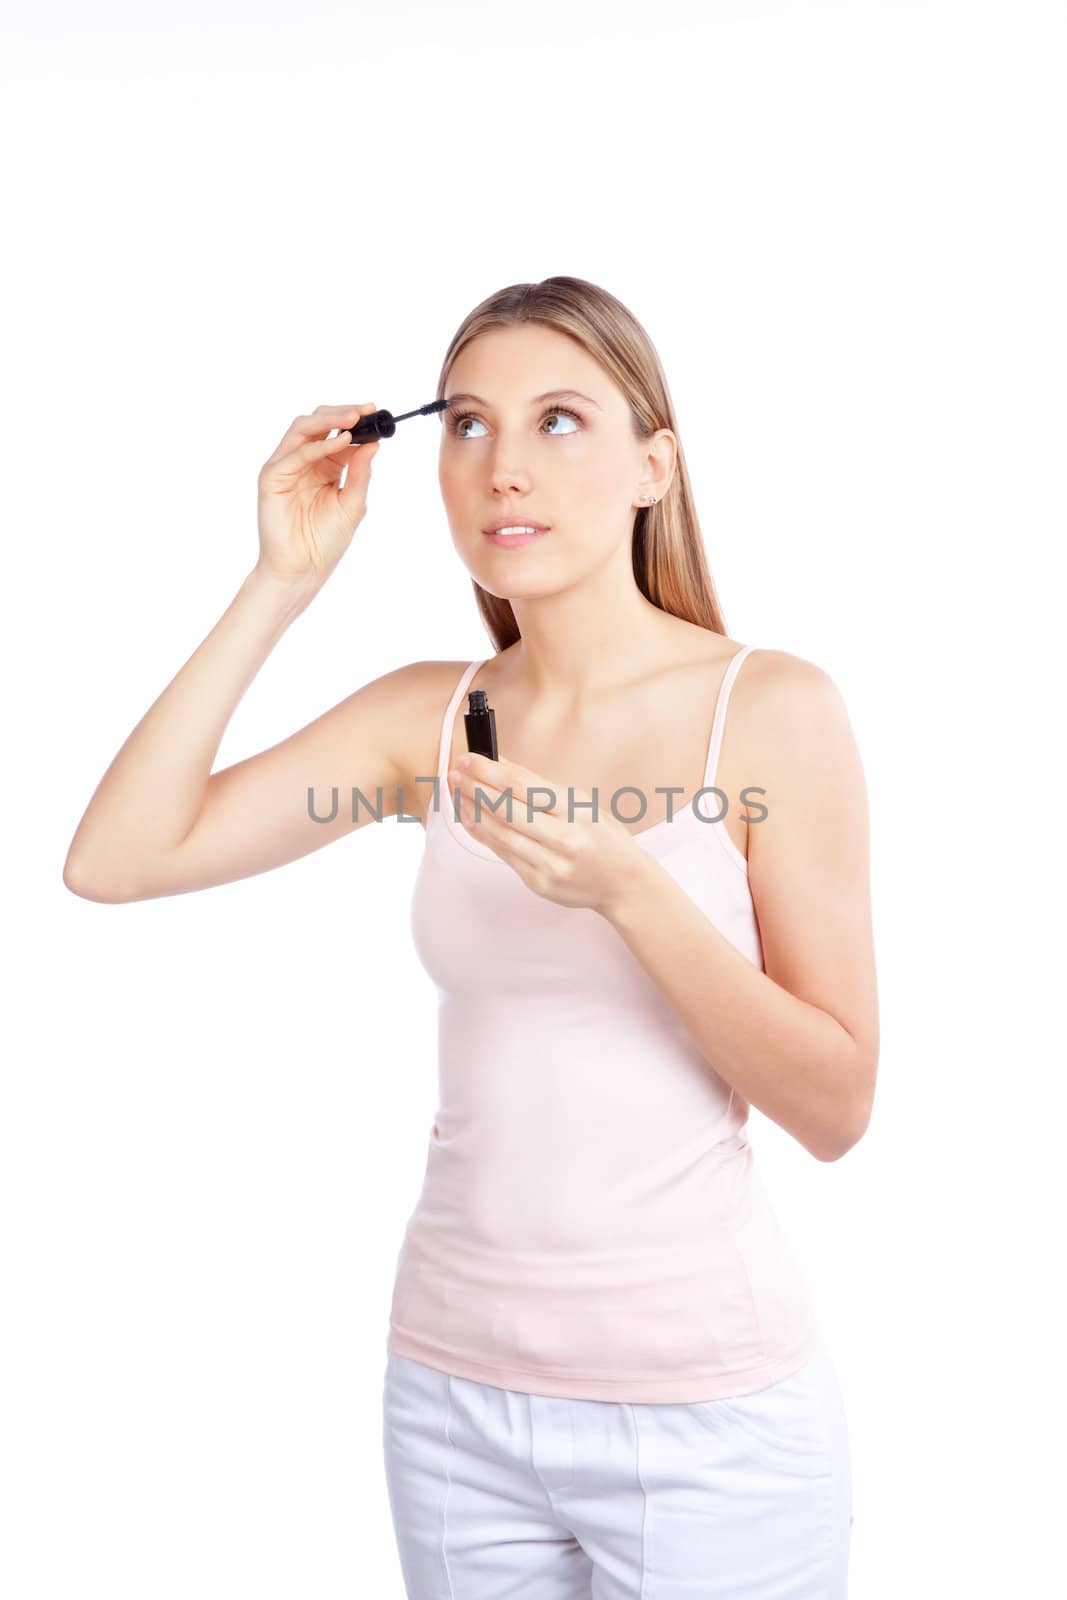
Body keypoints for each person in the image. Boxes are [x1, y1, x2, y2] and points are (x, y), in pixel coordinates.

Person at [64, 275, 878, 1597]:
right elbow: (116, 859)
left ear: (652, 466)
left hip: (707, 1418)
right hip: (453, 1396)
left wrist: (633, 894)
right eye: (468, 425)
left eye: (561, 421)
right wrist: (280, 584)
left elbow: (838, 1104)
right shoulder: (422, 725)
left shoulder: (771, 714)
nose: (505, 467)